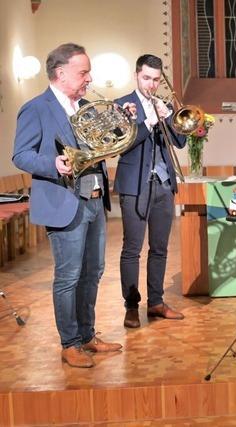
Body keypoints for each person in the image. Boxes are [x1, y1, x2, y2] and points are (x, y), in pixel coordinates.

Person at [12, 43, 123, 368]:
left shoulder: (86, 106)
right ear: (60, 73)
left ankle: (87, 334)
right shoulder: (37, 108)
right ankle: (70, 343)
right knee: (69, 275)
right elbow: (20, 154)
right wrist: (53, 164)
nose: (89, 78)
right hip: (64, 201)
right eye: (83, 72)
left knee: (94, 272)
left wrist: (119, 125)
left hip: (94, 199)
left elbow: (104, 146)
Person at [114, 54, 187, 328]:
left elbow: (179, 142)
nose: (152, 84)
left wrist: (168, 118)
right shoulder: (122, 105)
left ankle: (156, 302)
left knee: (160, 248)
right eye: (147, 78)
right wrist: (148, 122)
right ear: (136, 75)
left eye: (156, 80)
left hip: (164, 184)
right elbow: (122, 144)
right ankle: (131, 306)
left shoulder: (163, 105)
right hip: (135, 184)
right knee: (132, 249)